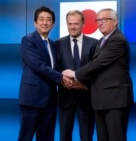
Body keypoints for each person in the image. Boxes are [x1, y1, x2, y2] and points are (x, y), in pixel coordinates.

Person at [63, 8, 134, 141]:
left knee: (115, 137)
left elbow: (98, 63)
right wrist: (82, 84)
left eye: (104, 19)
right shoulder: (102, 40)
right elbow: (96, 68)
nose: (100, 23)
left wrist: (75, 74)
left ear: (115, 22)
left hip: (115, 100)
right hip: (101, 100)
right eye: (98, 20)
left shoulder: (118, 39)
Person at [18, 6, 70, 141]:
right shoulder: (28, 40)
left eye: (48, 20)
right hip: (32, 99)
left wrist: (68, 76)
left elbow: (55, 67)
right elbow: (37, 65)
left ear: (53, 24)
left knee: (47, 137)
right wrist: (60, 77)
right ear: (35, 22)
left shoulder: (53, 44)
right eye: (41, 19)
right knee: (26, 136)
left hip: (50, 99)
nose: (45, 23)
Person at [55, 10, 97, 141]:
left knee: (86, 136)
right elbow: (55, 68)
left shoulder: (95, 43)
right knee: (64, 136)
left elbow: (96, 69)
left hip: (87, 98)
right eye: (69, 24)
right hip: (65, 97)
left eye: (76, 24)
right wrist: (63, 80)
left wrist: (84, 84)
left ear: (83, 24)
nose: (72, 27)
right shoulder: (58, 43)